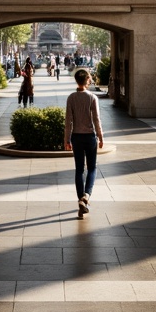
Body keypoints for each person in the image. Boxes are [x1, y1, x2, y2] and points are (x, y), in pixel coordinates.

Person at [64, 68, 104, 219]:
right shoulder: (92, 97)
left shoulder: (71, 98)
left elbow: (68, 121)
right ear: (87, 79)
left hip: (76, 137)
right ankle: (86, 196)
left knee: (79, 169)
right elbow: (96, 120)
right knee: (92, 168)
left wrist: (67, 139)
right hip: (90, 138)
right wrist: (101, 137)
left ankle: (81, 201)